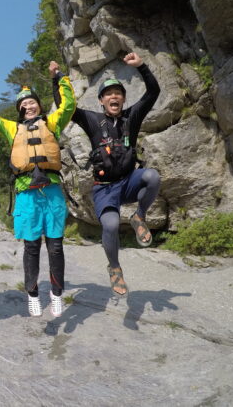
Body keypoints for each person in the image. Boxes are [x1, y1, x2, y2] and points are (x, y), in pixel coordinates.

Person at [57, 52, 161, 297]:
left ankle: (139, 216)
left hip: (129, 181)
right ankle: (114, 268)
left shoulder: (132, 117)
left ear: (123, 99)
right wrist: (57, 80)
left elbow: (153, 92)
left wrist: (142, 66)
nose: (114, 96)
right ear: (101, 100)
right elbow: (66, 107)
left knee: (153, 177)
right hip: (104, 188)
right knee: (111, 225)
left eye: (118, 93)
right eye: (108, 94)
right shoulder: (92, 120)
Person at [0, 63, 76, 317]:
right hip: (26, 193)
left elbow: (69, 105)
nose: (28, 106)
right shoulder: (12, 128)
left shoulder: (52, 122)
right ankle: (32, 294)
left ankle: (56, 294)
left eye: (31, 102)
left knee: (55, 247)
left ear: (39, 105)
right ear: (19, 110)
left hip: (52, 190)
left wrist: (59, 77)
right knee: (31, 247)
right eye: (23, 105)